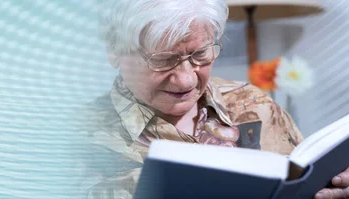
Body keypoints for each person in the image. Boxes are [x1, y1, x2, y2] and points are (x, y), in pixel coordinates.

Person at [79, 0, 349, 198]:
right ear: (115, 51)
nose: (186, 79)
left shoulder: (255, 104)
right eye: (162, 60)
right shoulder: (71, 138)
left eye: (200, 55)